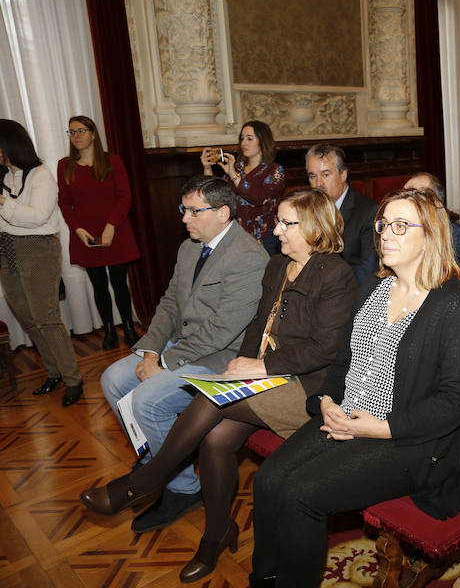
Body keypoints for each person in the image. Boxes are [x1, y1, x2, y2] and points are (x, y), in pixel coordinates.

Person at [80, 188, 356, 583]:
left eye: (286, 223)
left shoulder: (336, 274)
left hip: (305, 385)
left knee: (209, 401)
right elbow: (256, 327)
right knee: (214, 439)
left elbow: (324, 350)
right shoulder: (279, 265)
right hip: (265, 376)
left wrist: (260, 366)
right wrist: (237, 366)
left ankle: (146, 480)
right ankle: (216, 533)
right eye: (278, 221)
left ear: (315, 227)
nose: (275, 229)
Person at [249, 187, 460, 587]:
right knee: (268, 480)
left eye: (399, 226)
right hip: (347, 415)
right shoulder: (373, 290)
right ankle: (266, 578)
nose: (385, 235)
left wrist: (376, 427)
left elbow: (454, 401)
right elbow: (343, 362)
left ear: (431, 235)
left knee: (300, 496)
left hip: (406, 440)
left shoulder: (452, 305)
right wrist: (325, 402)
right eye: (382, 225)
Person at [98, 176, 268, 534]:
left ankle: (182, 487)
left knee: (147, 400)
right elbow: (170, 305)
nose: (184, 218)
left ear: (223, 213)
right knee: (112, 379)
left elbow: (223, 330)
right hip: (180, 345)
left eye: (193, 211)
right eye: (183, 209)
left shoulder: (249, 257)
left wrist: (165, 363)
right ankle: (157, 460)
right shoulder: (190, 246)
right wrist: (150, 351)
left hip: (220, 358)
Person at [0, 119, 83, 407]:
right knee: (27, 317)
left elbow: (37, 216)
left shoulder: (41, 175)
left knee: (46, 318)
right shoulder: (6, 176)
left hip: (38, 249)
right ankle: (54, 371)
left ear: (9, 145)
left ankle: (73, 380)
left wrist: (2, 202)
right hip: (6, 247)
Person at [58, 115, 141, 350]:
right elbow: (64, 202)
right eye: (72, 132)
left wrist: (111, 226)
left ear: (93, 134)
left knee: (119, 282)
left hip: (115, 230)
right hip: (85, 235)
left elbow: (125, 196)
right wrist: (77, 229)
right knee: (98, 284)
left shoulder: (112, 161)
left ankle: (128, 326)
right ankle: (108, 330)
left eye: (82, 130)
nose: (77, 136)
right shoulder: (65, 165)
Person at [201, 120, 285, 255]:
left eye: (250, 138)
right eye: (242, 138)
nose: (244, 143)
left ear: (262, 141)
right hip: (235, 234)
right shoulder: (237, 167)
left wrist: (233, 176)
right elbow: (215, 195)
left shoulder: (274, 169)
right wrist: (207, 168)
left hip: (263, 237)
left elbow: (258, 198)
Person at [305, 143, 378, 280]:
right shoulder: (306, 209)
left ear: (343, 174)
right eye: (313, 176)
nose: (318, 184)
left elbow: (368, 269)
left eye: (325, 174)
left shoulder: (368, 211)